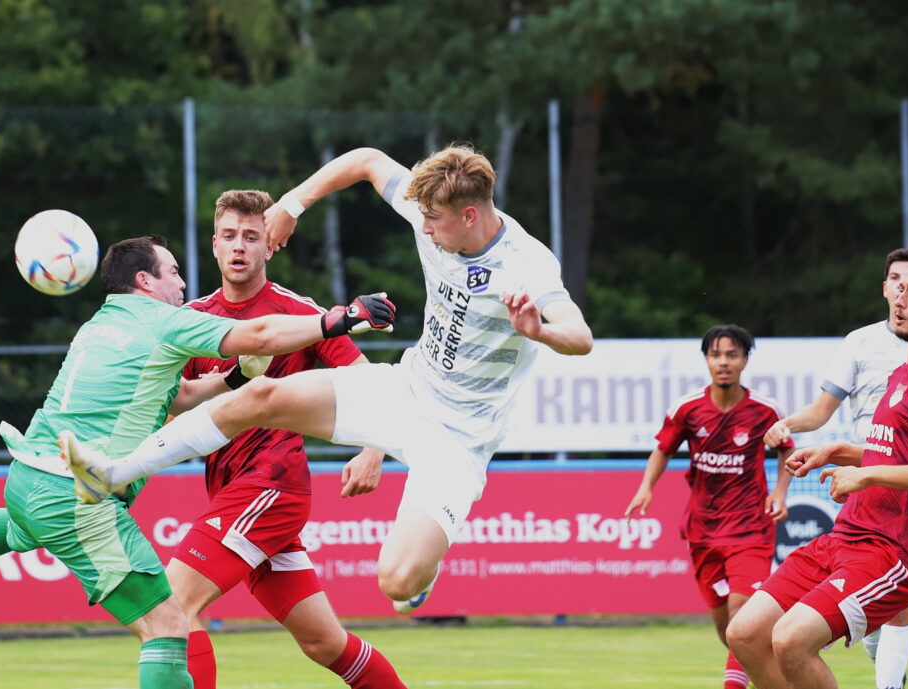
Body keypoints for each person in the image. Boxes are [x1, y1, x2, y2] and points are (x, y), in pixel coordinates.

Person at [65, 145, 595, 614]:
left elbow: (580, 334)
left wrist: (539, 331)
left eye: (435, 222)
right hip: (405, 391)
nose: (425, 230)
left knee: (395, 580)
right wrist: (291, 206)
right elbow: (364, 160)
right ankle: (112, 473)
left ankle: (419, 579)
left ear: (471, 214)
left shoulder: (528, 264)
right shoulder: (430, 209)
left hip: (461, 437)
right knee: (261, 393)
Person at [0, 234, 394, 689]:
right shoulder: (167, 322)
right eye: (174, 273)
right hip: (78, 496)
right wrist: (341, 318)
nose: (183, 285)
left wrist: (234, 378)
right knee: (168, 624)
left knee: (17, 527)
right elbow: (259, 333)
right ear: (145, 282)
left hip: (28, 477)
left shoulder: (98, 326)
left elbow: (176, 397)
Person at [171, 190, 405, 688]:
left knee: (173, 607)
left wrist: (373, 449)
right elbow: (175, 400)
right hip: (231, 490)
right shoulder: (191, 321)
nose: (239, 247)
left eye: (251, 237)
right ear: (214, 245)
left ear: (268, 247)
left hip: (271, 485)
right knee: (325, 643)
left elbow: (369, 381)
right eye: (230, 237)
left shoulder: (295, 312)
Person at [726, 251, 908, 689]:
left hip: (893, 551)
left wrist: (868, 476)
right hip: (846, 537)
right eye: (899, 290)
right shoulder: (905, 371)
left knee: (790, 640)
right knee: (745, 634)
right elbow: (896, 454)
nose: (900, 301)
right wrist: (840, 450)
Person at [624, 324, 794, 689]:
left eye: (732, 355)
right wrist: (645, 488)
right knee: (729, 631)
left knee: (741, 616)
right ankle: (776, 676)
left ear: (745, 360)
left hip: (751, 529)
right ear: (706, 359)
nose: (723, 362)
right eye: (716, 355)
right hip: (703, 532)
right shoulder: (687, 409)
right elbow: (663, 449)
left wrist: (780, 491)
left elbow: (786, 448)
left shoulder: (766, 410)